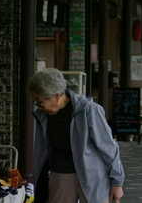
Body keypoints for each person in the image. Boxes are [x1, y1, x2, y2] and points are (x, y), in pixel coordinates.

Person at [28, 68, 125, 203]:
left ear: (56, 96)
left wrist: (117, 182)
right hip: (59, 177)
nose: (39, 107)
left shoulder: (88, 110)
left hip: (92, 178)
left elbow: (109, 148)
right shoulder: (44, 115)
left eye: (40, 101)